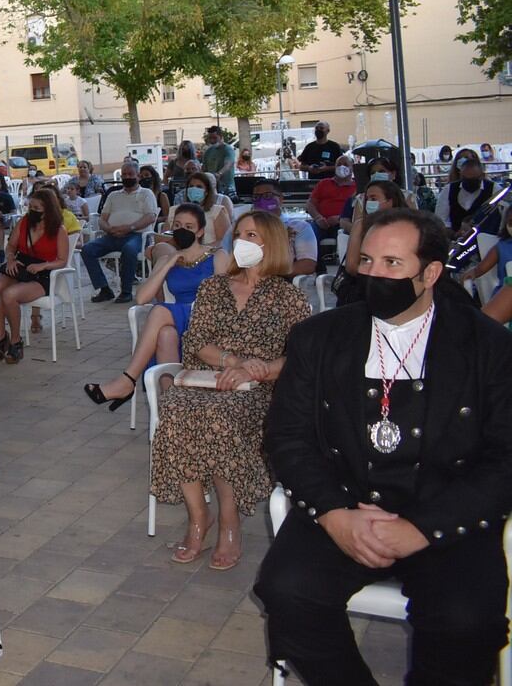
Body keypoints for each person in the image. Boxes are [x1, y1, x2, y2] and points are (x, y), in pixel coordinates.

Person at [256, 209, 512, 685]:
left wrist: (423, 528)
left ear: (430, 272)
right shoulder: (319, 337)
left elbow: (505, 458)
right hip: (348, 499)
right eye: (368, 261)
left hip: (445, 510)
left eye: (393, 264)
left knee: (464, 620)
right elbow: (287, 436)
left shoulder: (486, 346)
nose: (375, 274)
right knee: (287, 589)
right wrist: (334, 515)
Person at [150, 210, 312, 570]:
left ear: (270, 243)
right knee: (176, 409)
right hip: (211, 376)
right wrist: (231, 362)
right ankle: (197, 517)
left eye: (252, 235)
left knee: (222, 417)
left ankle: (229, 522)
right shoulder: (214, 287)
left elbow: (303, 355)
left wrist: (264, 368)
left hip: (259, 388)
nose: (242, 241)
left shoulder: (286, 297)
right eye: (239, 234)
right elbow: (196, 340)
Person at [83, 203, 218, 411]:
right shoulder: (167, 258)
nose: (182, 230)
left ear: (200, 231)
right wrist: (168, 262)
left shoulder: (217, 256)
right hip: (180, 323)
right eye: (178, 225)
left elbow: (225, 299)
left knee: (161, 310)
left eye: (189, 227)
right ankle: (170, 407)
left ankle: (127, 380)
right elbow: (142, 298)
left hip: (207, 319)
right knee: (164, 333)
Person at [0, 187, 69, 363]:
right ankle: (1, 337)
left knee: (9, 295)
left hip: (43, 274)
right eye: (30, 207)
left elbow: (63, 260)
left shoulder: (58, 231)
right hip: (21, 265)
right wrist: (10, 259)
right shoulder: (24, 222)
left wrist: (43, 265)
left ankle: (16, 341)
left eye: (37, 208)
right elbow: (11, 246)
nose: (32, 211)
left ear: (48, 210)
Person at [80, 160, 159, 304]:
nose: (127, 177)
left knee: (129, 249)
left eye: (130, 174)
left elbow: (151, 217)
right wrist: (108, 228)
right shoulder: (113, 195)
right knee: (87, 249)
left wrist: (130, 227)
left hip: (138, 235)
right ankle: (104, 289)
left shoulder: (146, 194)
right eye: (124, 174)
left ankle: (126, 291)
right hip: (113, 235)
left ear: (138, 176)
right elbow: (102, 218)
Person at [335, 180, 412, 305]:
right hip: (365, 285)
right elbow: (351, 266)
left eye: (374, 198)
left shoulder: (408, 226)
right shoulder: (361, 224)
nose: (369, 202)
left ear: (390, 201)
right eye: (367, 199)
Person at [150, 172, 230, 265]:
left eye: (199, 187)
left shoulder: (217, 211)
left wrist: (199, 250)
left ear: (207, 191)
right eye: (191, 186)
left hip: (207, 253)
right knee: (159, 248)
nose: (194, 189)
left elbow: (224, 240)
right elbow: (166, 235)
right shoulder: (175, 210)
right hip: (178, 252)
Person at [249, 180, 319, 276]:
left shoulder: (299, 227)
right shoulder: (244, 229)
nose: (261, 200)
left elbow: (307, 265)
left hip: (283, 282)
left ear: (281, 199)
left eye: (268, 195)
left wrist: (268, 273)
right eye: (256, 197)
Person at [436, 151, 497, 240]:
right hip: (456, 242)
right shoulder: (448, 190)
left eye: (474, 179)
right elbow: (440, 221)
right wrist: (454, 234)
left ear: (482, 176)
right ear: (461, 175)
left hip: (487, 242)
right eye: (466, 179)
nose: (470, 183)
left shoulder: (494, 189)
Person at [305, 157, 357, 246]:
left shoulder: (357, 187)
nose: (342, 167)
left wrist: (340, 219)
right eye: (339, 164)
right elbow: (310, 204)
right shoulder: (324, 183)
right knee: (308, 234)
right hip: (321, 224)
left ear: (352, 168)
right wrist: (318, 218)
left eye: (345, 165)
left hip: (345, 224)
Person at [202, 125, 237, 198]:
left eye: (215, 138)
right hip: (212, 187)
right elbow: (204, 168)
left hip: (227, 187)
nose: (212, 141)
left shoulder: (228, 149)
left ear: (221, 137)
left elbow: (228, 164)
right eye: (210, 138)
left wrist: (219, 174)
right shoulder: (208, 151)